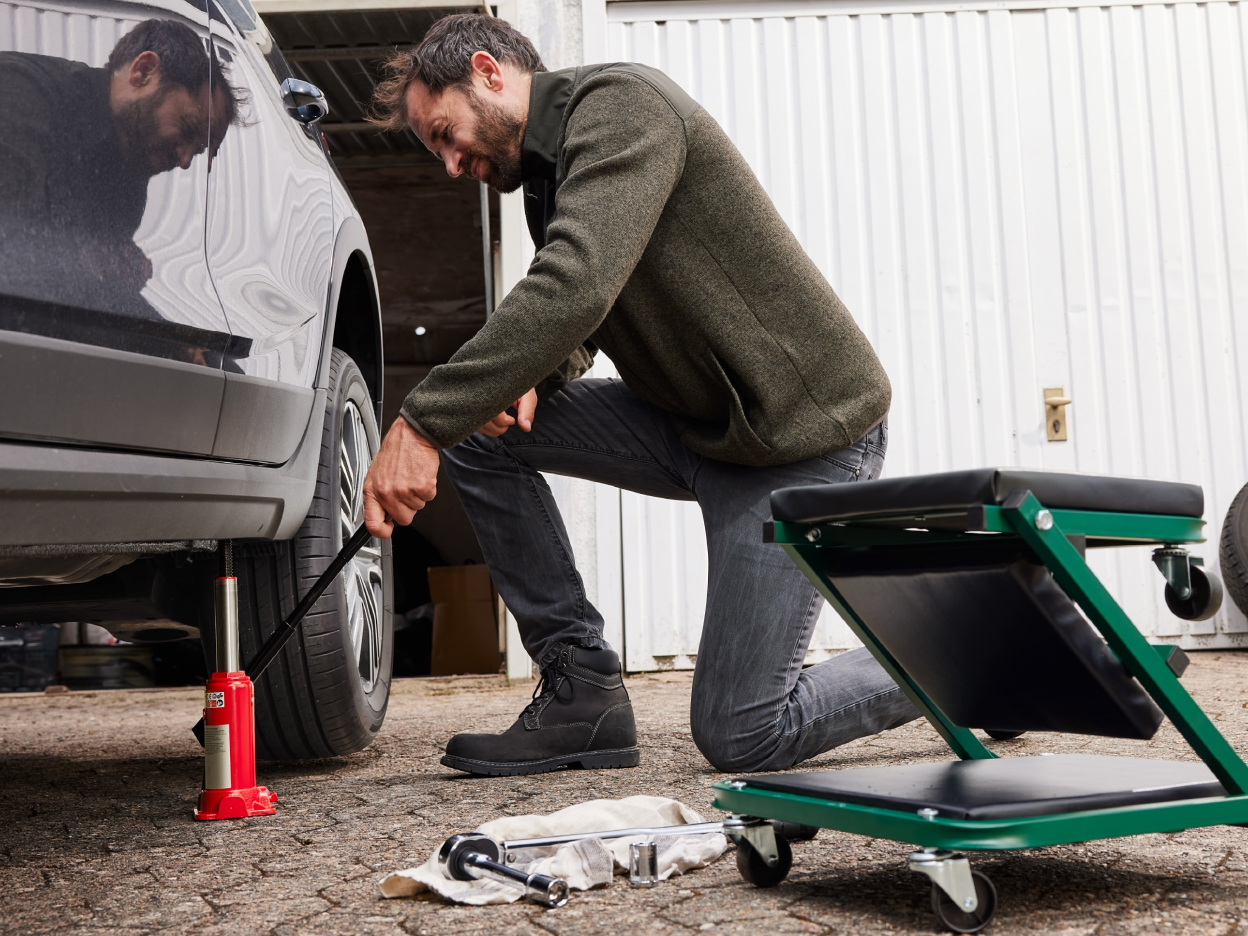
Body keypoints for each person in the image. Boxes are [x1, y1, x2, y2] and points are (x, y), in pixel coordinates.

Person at [364, 13, 919, 777]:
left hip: (799, 441)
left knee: (742, 735)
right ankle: (581, 691)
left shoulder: (625, 108)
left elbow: (577, 285)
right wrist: (533, 375)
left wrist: (420, 421)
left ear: (490, 73)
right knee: (480, 434)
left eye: (446, 133)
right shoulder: (548, 178)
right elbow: (593, 314)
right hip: (697, 426)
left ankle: (977, 659)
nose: (452, 164)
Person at [0, 17, 242, 329]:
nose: (184, 160)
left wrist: (112, 273)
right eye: (187, 129)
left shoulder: (129, 174)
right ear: (143, 72)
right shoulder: (20, 90)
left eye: (197, 151)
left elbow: (81, 292)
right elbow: (14, 252)